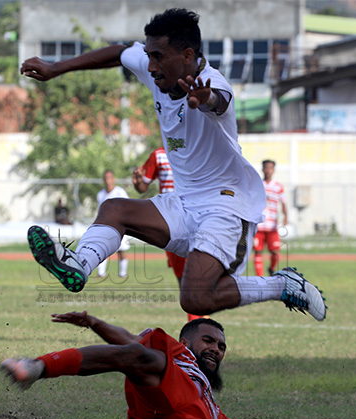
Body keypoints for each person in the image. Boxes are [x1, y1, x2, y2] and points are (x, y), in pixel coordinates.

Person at [21, 8, 326, 321]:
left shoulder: (212, 83)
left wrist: (204, 99)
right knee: (115, 209)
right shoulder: (157, 67)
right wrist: (56, 68)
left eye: (158, 56)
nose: (150, 66)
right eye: (149, 55)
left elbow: (217, 100)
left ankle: (282, 284)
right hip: (184, 204)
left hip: (226, 210)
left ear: (187, 55)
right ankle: (79, 265)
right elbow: (118, 53)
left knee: (195, 299)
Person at [1, 311, 356, 419]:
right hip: (157, 389)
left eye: (221, 347)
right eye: (209, 340)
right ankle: (36, 367)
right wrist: (95, 322)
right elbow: (127, 342)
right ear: (186, 340)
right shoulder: (173, 353)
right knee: (141, 354)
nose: (216, 349)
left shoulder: (212, 407)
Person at [133, 146, 202, 321]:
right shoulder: (159, 154)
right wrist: (137, 182)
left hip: (193, 220)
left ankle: (199, 323)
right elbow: (143, 186)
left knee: (193, 275)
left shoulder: (198, 149)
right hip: (170, 223)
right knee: (182, 277)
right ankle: (197, 320)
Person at [252, 160, 288, 276]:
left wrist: (286, 216)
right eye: (266, 167)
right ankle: (259, 278)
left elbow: (283, 203)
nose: (268, 170)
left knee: (275, 252)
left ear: (274, 170)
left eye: (270, 168)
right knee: (258, 251)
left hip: (272, 226)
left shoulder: (278, 187)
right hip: (259, 225)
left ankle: (271, 268)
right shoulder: (257, 185)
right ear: (262, 169)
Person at [94, 169, 130, 278]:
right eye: (105, 178)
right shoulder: (100, 194)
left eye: (109, 178)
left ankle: (123, 274)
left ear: (113, 179)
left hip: (120, 226)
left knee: (122, 250)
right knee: (102, 250)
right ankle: (101, 273)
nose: (107, 180)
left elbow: (127, 207)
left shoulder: (120, 192)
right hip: (106, 227)